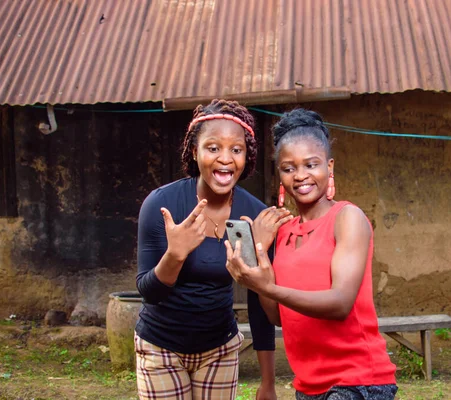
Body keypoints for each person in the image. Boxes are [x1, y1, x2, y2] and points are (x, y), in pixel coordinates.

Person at [225, 109, 398, 399]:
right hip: (307, 385)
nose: (301, 176)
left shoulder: (347, 218)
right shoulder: (283, 232)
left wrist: (268, 287)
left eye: (311, 164)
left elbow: (341, 303)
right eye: (288, 168)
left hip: (358, 382)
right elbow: (278, 317)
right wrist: (259, 254)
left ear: (329, 167)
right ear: (279, 173)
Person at [135, 99, 291, 400]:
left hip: (219, 349)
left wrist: (268, 382)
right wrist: (175, 255)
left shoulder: (252, 214)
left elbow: (259, 303)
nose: (225, 159)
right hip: (160, 347)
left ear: (247, 157)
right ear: (195, 152)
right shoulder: (161, 205)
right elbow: (148, 292)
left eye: (236, 149)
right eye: (213, 148)